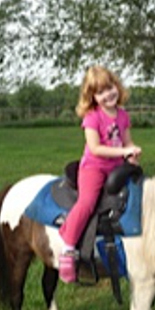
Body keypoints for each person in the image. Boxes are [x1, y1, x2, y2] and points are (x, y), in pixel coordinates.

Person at [58, 65, 142, 283]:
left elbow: (127, 140)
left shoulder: (122, 115)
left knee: (138, 193)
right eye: (101, 91)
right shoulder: (92, 118)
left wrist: (132, 152)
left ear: (117, 86)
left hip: (116, 166)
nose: (108, 94)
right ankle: (68, 247)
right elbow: (95, 148)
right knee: (87, 203)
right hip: (94, 167)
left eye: (110, 87)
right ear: (93, 97)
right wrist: (123, 151)